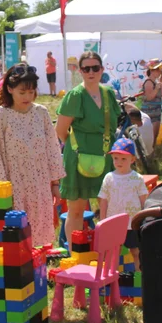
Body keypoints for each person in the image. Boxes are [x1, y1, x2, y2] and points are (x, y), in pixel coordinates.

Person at [0, 65, 65, 248]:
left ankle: (39, 273)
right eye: (22, 92)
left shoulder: (41, 113)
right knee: (17, 239)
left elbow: (52, 149)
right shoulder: (0, 117)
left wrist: (55, 184)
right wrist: (1, 192)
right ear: (10, 89)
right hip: (14, 186)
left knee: (41, 238)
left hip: (40, 184)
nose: (27, 97)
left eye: (31, 91)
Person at [55, 50, 117, 238]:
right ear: (80, 71)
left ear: (102, 70)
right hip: (79, 159)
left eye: (95, 68)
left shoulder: (109, 94)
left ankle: (107, 253)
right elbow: (60, 131)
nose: (91, 72)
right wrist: (76, 148)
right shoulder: (75, 95)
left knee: (110, 208)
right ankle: (76, 257)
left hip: (106, 156)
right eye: (86, 68)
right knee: (76, 211)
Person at [98, 137, 150, 270]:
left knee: (136, 252)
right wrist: (103, 220)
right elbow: (103, 200)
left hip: (132, 223)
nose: (118, 162)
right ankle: (111, 280)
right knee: (113, 252)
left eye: (123, 159)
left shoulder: (137, 178)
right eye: (116, 158)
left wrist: (144, 219)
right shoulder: (109, 178)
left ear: (132, 159)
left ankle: (139, 279)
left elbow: (144, 199)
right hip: (113, 223)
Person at [139, 61, 162, 143]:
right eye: (158, 70)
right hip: (149, 114)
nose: (160, 72)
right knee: (150, 139)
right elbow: (149, 97)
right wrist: (156, 89)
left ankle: (153, 155)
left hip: (156, 112)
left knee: (155, 137)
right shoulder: (148, 82)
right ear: (152, 71)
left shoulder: (156, 82)